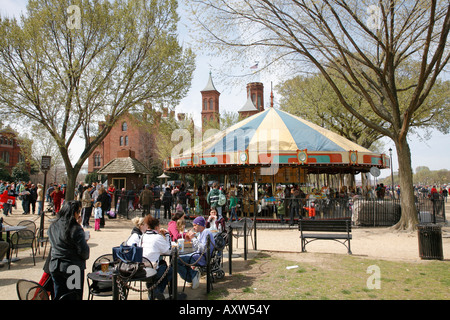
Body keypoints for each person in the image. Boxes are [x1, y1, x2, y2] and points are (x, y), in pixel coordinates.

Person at [47, 200, 90, 300]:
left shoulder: (53, 226)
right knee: (74, 296)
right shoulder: (75, 229)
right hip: (72, 267)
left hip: (55, 266)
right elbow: (84, 253)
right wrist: (85, 239)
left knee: (58, 295)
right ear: (74, 213)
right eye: (78, 212)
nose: (79, 214)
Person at [177, 216, 215, 290]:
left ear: (200, 225)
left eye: (195, 225)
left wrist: (193, 238)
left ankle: (193, 275)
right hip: (199, 256)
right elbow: (197, 247)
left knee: (177, 261)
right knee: (178, 259)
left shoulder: (206, 232)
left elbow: (202, 249)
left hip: (201, 258)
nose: (193, 227)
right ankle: (192, 276)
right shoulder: (201, 233)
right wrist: (191, 240)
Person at [140, 215, 172, 300]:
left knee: (163, 264)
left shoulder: (143, 236)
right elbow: (168, 250)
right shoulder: (157, 237)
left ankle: (152, 290)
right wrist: (167, 235)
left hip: (142, 268)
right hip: (153, 269)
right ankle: (157, 291)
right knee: (171, 270)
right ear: (157, 227)